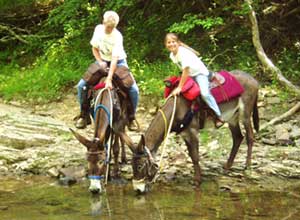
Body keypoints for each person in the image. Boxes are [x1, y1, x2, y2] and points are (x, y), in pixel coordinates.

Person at [76, 11, 139, 129]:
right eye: (107, 26)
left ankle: (131, 118)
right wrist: (100, 61)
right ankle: (83, 115)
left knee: (133, 89)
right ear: (103, 22)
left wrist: (109, 79)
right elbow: (94, 48)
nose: (109, 29)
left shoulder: (117, 36)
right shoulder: (98, 30)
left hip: (119, 62)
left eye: (112, 27)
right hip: (102, 60)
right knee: (81, 86)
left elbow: (115, 59)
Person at [164, 33, 224, 128]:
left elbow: (186, 70)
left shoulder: (183, 53)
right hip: (190, 75)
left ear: (178, 42)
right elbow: (182, 70)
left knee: (204, 93)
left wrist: (180, 87)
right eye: (169, 42)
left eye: (173, 42)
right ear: (166, 45)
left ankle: (219, 116)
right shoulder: (172, 55)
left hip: (199, 73)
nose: (171, 44)